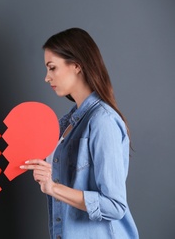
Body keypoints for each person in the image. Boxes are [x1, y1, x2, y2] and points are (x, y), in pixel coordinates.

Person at [20, 28, 139, 238]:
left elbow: (114, 205)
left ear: (76, 66)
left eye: (52, 68)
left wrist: (53, 188)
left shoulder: (103, 121)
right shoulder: (67, 123)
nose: (47, 78)